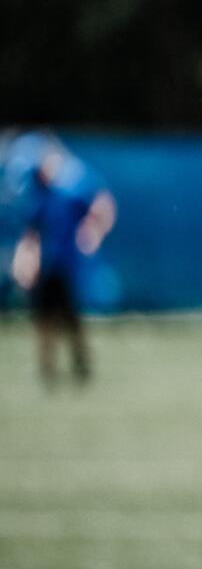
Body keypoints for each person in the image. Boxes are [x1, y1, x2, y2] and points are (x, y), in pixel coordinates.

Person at [5, 133, 116, 388]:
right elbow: (31, 232)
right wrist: (25, 260)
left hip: (67, 266)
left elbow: (102, 204)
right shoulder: (39, 195)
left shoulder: (71, 189)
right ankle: (48, 370)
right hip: (46, 267)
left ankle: (81, 365)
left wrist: (93, 230)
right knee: (43, 319)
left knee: (70, 318)